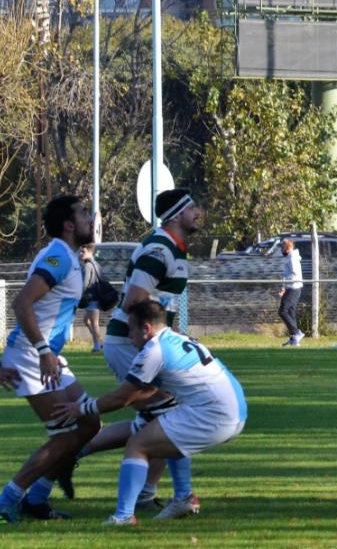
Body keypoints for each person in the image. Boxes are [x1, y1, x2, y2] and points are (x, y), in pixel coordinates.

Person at [68, 188, 204, 514]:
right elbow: (134, 301)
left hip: (139, 341)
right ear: (176, 216)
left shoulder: (173, 248)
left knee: (157, 420)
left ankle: (73, 455)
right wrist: (162, 341)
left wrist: (172, 337)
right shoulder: (158, 250)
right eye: (193, 208)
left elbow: (157, 306)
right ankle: (178, 494)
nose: (199, 213)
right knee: (173, 412)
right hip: (128, 342)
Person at [52, 299, 246, 526]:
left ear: (146, 328)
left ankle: (123, 516)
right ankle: (183, 497)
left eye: (131, 330)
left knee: (138, 444)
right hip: (234, 410)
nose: (130, 337)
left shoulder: (154, 350)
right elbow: (148, 390)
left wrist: (82, 409)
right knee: (154, 430)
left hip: (214, 415)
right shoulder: (179, 338)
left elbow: (122, 397)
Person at [0, 195, 100, 522]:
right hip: (32, 356)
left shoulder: (68, 256)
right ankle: (7, 501)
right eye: (84, 214)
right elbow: (22, 303)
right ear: (69, 225)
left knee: (89, 422)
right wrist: (44, 351)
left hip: (46, 355)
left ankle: (37, 500)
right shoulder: (58, 255)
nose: (90, 219)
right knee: (66, 435)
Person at [276, 239, 305, 346]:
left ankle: (297, 333)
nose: (281, 250)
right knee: (291, 312)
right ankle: (294, 339)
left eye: (283, 248)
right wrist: (283, 287)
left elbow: (295, 274)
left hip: (294, 288)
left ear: (287, 248)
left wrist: (285, 282)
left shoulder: (292, 259)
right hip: (291, 288)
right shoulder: (290, 258)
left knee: (282, 311)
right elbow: (288, 275)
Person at [80, 244, 104, 352]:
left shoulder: (88, 265)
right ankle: (100, 342)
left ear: (90, 252)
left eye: (83, 252)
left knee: (94, 323)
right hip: (96, 297)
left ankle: (97, 346)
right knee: (86, 320)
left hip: (91, 298)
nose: (81, 254)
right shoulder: (97, 264)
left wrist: (80, 293)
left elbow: (85, 283)